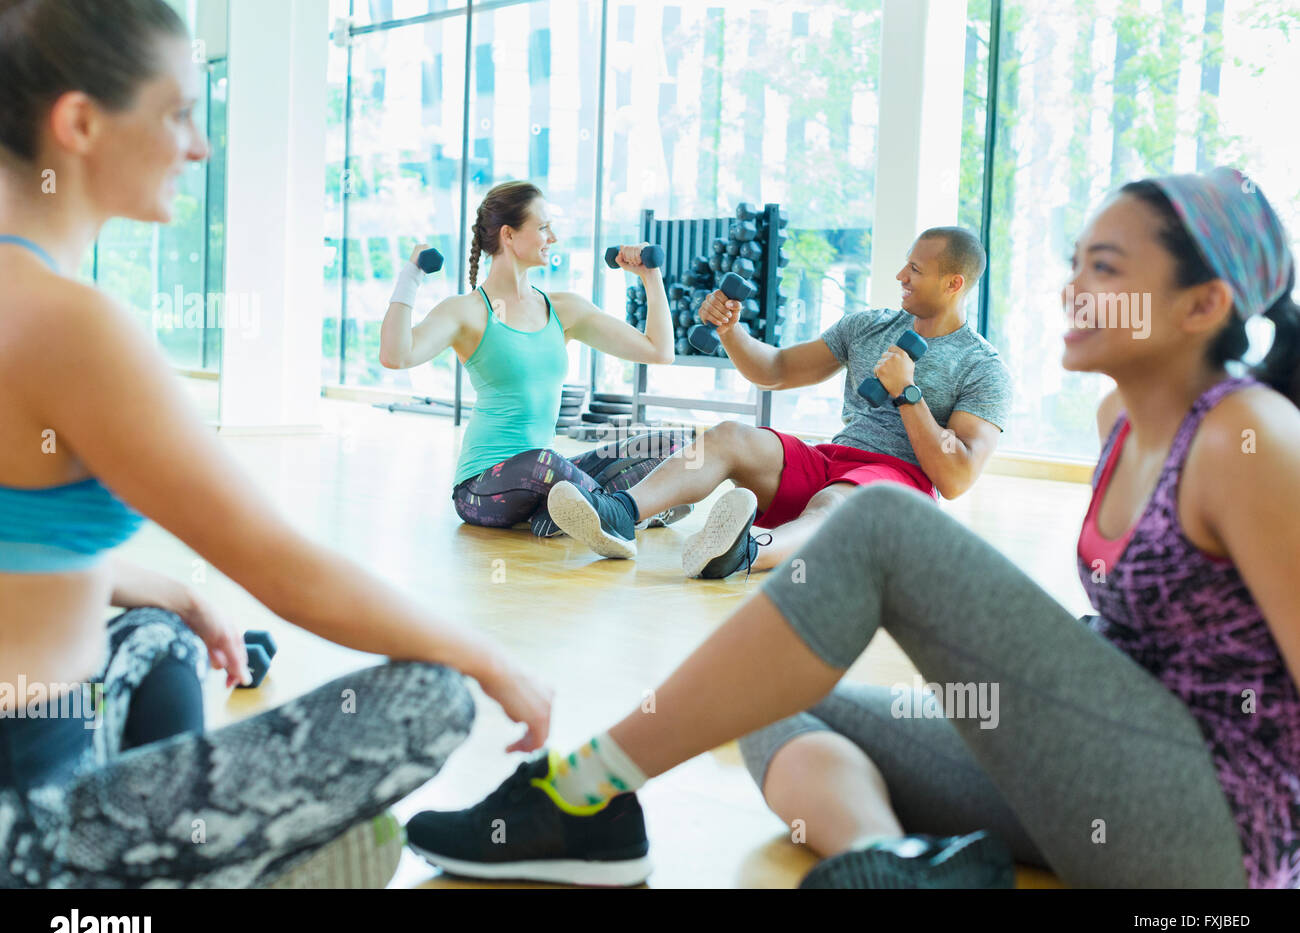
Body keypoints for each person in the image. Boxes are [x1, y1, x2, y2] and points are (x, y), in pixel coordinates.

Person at [406, 167, 1300, 889]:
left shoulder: (1246, 437)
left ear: (1202, 304)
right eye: (1075, 260)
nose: (1072, 286)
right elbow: (781, 368)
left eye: (1105, 268)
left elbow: (954, 475)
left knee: (877, 521)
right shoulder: (1122, 423)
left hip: (1208, 829)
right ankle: (890, 871)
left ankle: (584, 793)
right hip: (1100, 781)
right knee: (773, 705)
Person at [0, 0, 549, 888]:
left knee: (160, 635)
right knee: (428, 698)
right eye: (179, 112)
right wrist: (486, 655)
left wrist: (176, 589)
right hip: (28, 823)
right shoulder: (68, 327)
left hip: (29, 750)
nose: (199, 146)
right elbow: (281, 565)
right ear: (80, 122)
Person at [541, 226, 1014, 575]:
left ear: (954, 283)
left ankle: (747, 550)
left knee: (836, 499)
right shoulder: (868, 326)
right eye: (905, 263)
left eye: (916, 269)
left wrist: (907, 394)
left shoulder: (983, 366)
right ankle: (620, 514)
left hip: (897, 489)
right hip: (833, 460)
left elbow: (955, 478)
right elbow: (777, 370)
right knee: (729, 437)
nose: (900, 275)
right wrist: (731, 332)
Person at [380, 180, 693, 538]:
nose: (553, 237)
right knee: (541, 461)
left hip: (550, 477)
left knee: (672, 445)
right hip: (482, 488)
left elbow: (659, 351)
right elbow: (395, 356)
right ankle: (620, 515)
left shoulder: (563, 309)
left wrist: (650, 277)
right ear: (509, 236)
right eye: (543, 227)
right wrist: (411, 276)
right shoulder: (467, 311)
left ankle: (565, 515)